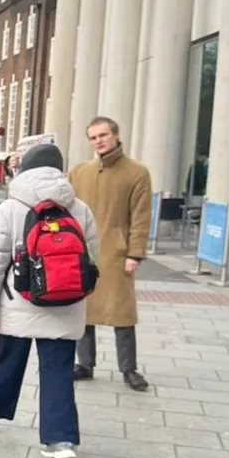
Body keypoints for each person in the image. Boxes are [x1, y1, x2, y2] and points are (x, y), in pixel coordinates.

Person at [0, 143, 99, 458]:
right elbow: (92, 259)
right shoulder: (79, 208)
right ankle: (60, 440)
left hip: (18, 302)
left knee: (8, 362)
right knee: (58, 371)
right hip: (64, 304)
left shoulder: (10, 208)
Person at [69, 116, 152, 391]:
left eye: (103, 135)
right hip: (84, 250)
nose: (99, 141)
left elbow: (141, 216)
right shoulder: (80, 172)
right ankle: (85, 363)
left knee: (123, 313)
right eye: (93, 137)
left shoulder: (136, 172)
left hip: (116, 252)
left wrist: (135, 253)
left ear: (116, 135)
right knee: (85, 310)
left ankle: (129, 368)